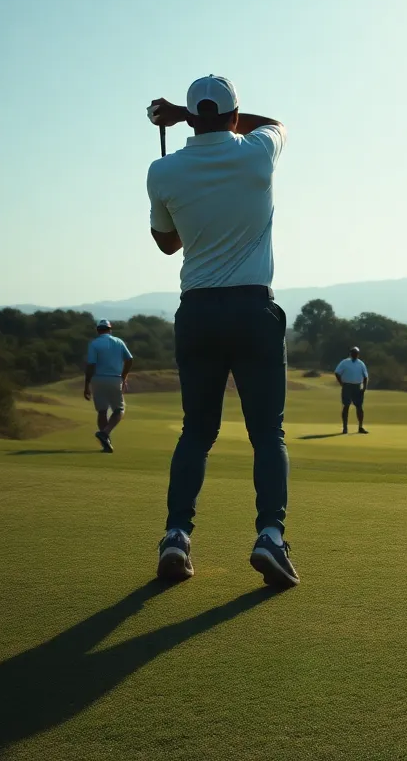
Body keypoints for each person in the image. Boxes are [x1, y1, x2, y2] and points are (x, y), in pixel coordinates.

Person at [145, 74, 298, 587]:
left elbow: (166, 243)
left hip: (198, 311)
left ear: (192, 117)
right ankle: (270, 537)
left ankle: (176, 536)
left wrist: (181, 121)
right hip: (252, 309)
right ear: (234, 115)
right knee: (267, 433)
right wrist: (187, 115)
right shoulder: (257, 153)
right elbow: (274, 123)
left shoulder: (162, 170)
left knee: (197, 431)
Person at [83, 319, 133, 453]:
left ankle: (106, 444)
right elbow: (129, 359)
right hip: (115, 379)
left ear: (98, 330)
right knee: (119, 409)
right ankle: (105, 433)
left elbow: (91, 365)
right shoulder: (119, 342)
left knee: (102, 411)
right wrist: (124, 377)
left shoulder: (94, 344)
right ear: (110, 330)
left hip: (97, 379)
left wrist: (86, 385)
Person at [334, 346, 369, 434]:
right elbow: (337, 373)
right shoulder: (344, 362)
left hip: (357, 387)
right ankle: (345, 428)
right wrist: (341, 383)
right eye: (353, 353)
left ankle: (360, 427)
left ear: (358, 354)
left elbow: (365, 376)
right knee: (346, 406)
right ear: (350, 353)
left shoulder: (361, 364)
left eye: (356, 353)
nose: (355, 354)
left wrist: (364, 387)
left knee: (359, 407)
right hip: (347, 386)